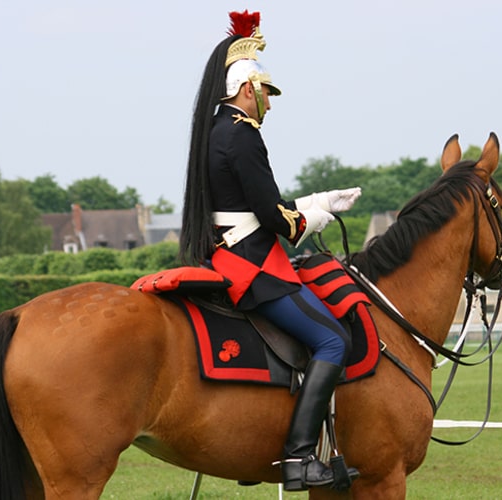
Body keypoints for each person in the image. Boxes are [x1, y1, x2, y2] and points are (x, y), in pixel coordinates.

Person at [179, 11, 361, 492]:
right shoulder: (241, 134)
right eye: (267, 92)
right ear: (246, 88)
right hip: (254, 267)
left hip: (233, 252)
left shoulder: (216, 131)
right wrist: (317, 212)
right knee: (333, 342)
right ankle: (300, 456)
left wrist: (315, 202)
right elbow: (272, 214)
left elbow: (254, 207)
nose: (270, 104)